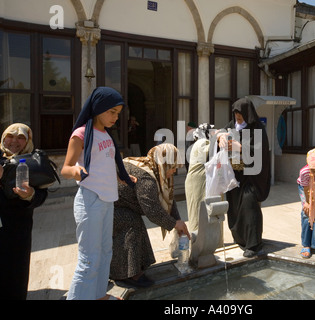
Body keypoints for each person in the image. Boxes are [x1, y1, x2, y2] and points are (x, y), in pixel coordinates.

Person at [61, 87, 137, 300]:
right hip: (90, 200)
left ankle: (98, 295)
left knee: (105, 253)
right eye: (112, 112)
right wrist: (76, 171)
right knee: (89, 259)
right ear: (99, 108)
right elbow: (65, 168)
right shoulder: (81, 134)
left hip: (107, 200)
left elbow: (107, 163)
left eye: (118, 113)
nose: (115, 117)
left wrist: (123, 177)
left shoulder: (106, 135)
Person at [110, 143, 190, 287]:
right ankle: (128, 274)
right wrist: (174, 224)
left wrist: (178, 220)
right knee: (131, 225)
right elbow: (153, 211)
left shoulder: (156, 168)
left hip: (122, 205)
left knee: (135, 224)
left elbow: (168, 199)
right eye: (172, 167)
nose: (173, 172)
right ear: (164, 163)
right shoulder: (147, 179)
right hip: (110, 208)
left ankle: (133, 270)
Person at [0, 123, 48, 300]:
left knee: (16, 273)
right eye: (10, 135)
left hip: (17, 230)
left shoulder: (33, 161)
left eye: (21, 137)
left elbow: (43, 195)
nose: (14, 141)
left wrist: (30, 195)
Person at [218, 97, 271, 257]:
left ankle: (254, 244)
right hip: (235, 175)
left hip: (251, 177)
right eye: (235, 114)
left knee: (249, 206)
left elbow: (260, 153)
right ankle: (240, 239)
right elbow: (222, 131)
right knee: (234, 207)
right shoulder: (233, 125)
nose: (238, 118)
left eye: (240, 115)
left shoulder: (257, 128)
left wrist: (240, 147)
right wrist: (220, 136)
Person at [185, 123, 214, 232]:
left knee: (198, 211)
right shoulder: (203, 143)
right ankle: (196, 240)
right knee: (196, 212)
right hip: (196, 182)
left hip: (198, 181)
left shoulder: (201, 142)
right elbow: (212, 153)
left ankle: (201, 240)